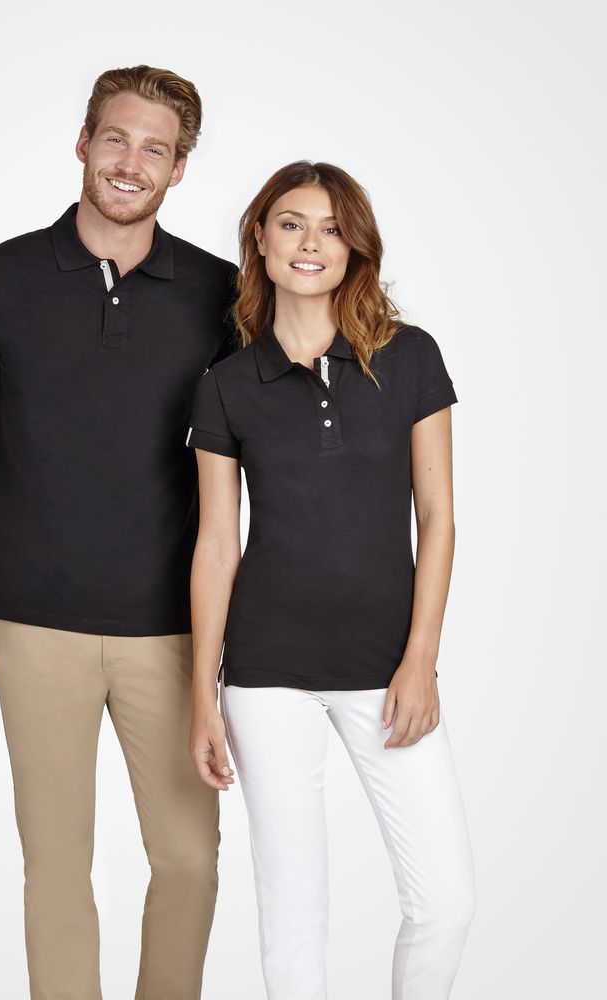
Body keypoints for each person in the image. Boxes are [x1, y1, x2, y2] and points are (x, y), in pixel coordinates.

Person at [0, 65, 238, 1000]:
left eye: (156, 149)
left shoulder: (222, 295)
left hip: (172, 627)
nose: (131, 163)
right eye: (116, 138)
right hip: (36, 622)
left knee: (189, 861)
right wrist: (1, 513)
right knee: (56, 865)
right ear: (83, 143)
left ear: (180, 169)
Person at [186, 160, 475, 1000]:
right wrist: (204, 695)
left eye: (332, 228)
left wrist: (420, 660)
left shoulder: (409, 358)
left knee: (446, 903)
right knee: (293, 910)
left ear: (355, 248)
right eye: (291, 223)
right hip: (267, 670)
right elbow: (216, 545)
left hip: (387, 667)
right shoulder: (227, 385)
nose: (311, 242)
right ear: (260, 239)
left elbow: (439, 517)